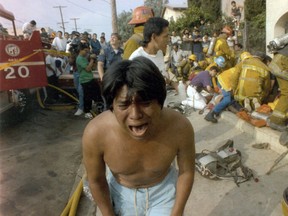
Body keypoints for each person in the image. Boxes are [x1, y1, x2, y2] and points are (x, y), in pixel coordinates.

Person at [83, 56, 195, 216]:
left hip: (164, 195)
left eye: (146, 103)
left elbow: (186, 172)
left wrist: (177, 212)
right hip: (120, 195)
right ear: (112, 106)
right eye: (124, 105)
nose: (135, 115)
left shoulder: (180, 127)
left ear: (160, 101)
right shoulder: (95, 133)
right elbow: (96, 180)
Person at [129, 17, 178, 92]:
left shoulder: (159, 53)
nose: (168, 39)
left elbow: (163, 77)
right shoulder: (137, 58)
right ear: (154, 37)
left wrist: (174, 84)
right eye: (165, 36)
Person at [76, 42, 102, 119]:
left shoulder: (84, 58)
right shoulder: (79, 59)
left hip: (90, 79)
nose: (87, 53)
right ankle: (87, 112)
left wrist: (94, 61)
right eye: (85, 51)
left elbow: (92, 68)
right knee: (87, 97)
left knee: (97, 94)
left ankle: (99, 108)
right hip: (85, 81)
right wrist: (92, 59)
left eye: (87, 51)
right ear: (80, 50)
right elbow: (88, 69)